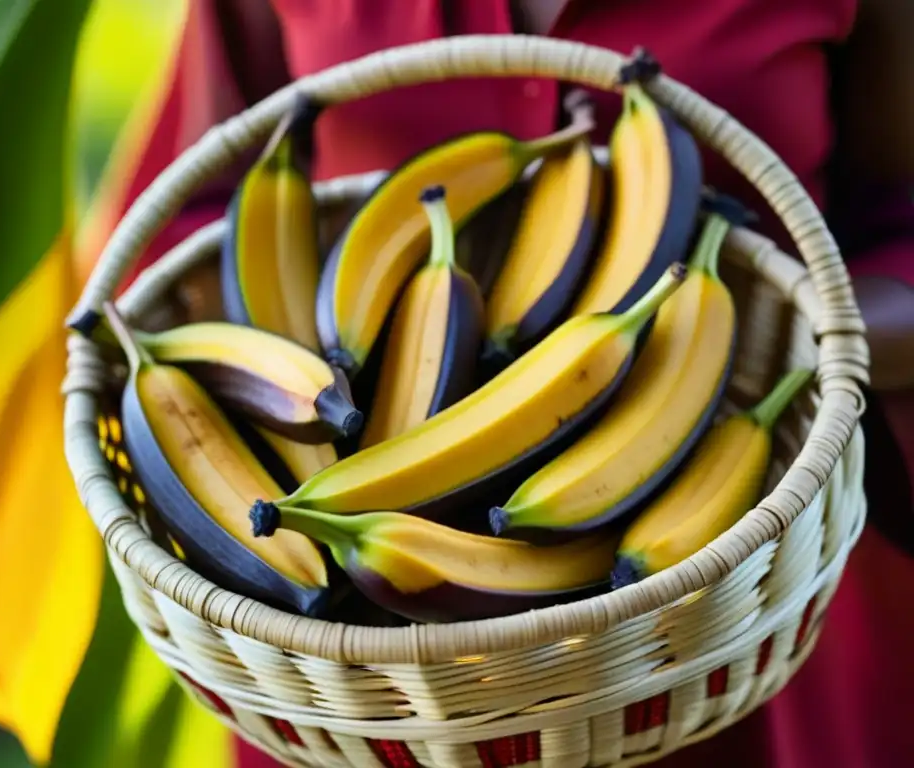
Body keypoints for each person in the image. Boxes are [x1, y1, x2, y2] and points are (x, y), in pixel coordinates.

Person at [108, 1, 914, 765]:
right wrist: (272, 389)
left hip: (732, 580)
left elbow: (901, 228)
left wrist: (778, 344)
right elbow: (189, 211)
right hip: (350, 678)